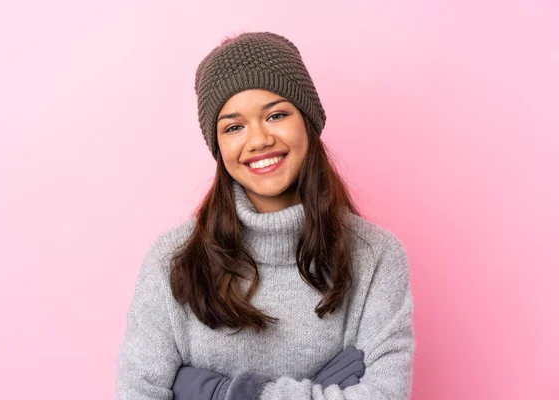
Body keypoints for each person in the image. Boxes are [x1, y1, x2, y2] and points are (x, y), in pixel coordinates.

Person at [115, 31, 415, 400]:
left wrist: (220, 393)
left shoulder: (376, 256)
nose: (258, 140)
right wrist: (325, 391)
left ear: (307, 121)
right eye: (234, 127)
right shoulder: (172, 260)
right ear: (218, 144)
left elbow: (385, 395)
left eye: (276, 115)